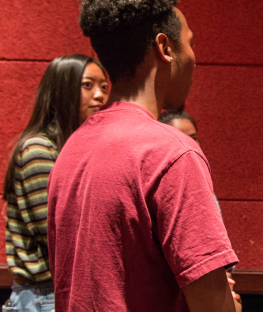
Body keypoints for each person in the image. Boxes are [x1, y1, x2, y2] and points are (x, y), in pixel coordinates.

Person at [47, 0, 239, 311]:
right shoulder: (172, 154)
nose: (193, 57)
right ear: (165, 47)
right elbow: (212, 303)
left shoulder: (72, 148)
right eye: (190, 44)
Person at [2, 54, 109, 312]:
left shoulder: (77, 147)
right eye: (87, 85)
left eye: (104, 87)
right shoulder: (39, 149)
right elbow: (58, 234)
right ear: (62, 90)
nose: (100, 95)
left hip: (66, 291)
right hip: (44, 295)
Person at [159, 111, 243, 312]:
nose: (189, 144)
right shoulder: (166, 189)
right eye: (180, 137)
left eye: (193, 138)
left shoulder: (203, 188)